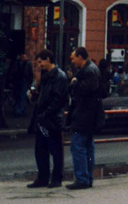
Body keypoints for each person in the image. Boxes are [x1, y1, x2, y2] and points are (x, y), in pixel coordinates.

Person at [27, 49, 69, 189]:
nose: (39, 65)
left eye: (40, 62)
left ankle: (56, 178)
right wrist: (34, 96)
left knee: (55, 150)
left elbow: (58, 99)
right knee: (41, 149)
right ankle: (43, 178)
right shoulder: (46, 75)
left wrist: (45, 113)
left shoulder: (59, 76)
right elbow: (43, 95)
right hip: (44, 117)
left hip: (52, 118)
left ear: (48, 60)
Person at [66, 46, 104, 190]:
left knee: (78, 145)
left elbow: (85, 90)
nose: (72, 61)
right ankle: (87, 178)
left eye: (73, 58)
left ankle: (82, 178)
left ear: (80, 57)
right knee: (87, 146)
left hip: (85, 114)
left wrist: (74, 82)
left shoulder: (88, 71)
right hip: (89, 114)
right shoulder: (91, 69)